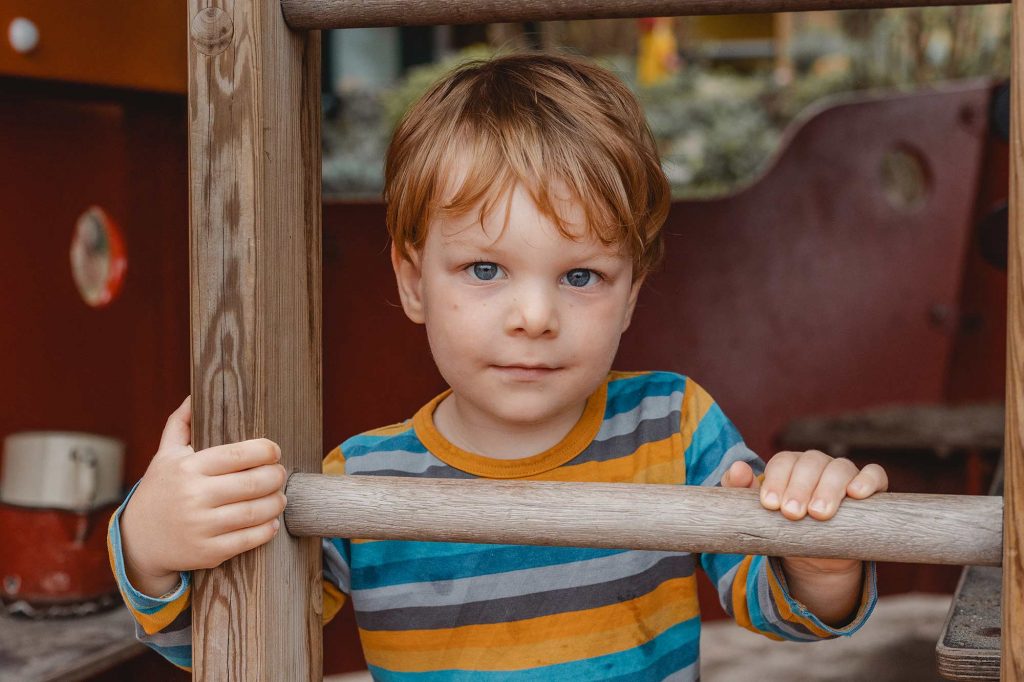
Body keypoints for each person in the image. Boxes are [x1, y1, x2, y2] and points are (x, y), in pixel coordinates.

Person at [108, 51, 888, 679]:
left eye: (581, 276)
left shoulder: (674, 427)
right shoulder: (361, 482)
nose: (535, 316)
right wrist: (150, 542)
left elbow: (780, 605)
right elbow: (218, 643)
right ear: (414, 282)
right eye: (485, 270)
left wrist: (818, 554)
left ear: (630, 297)